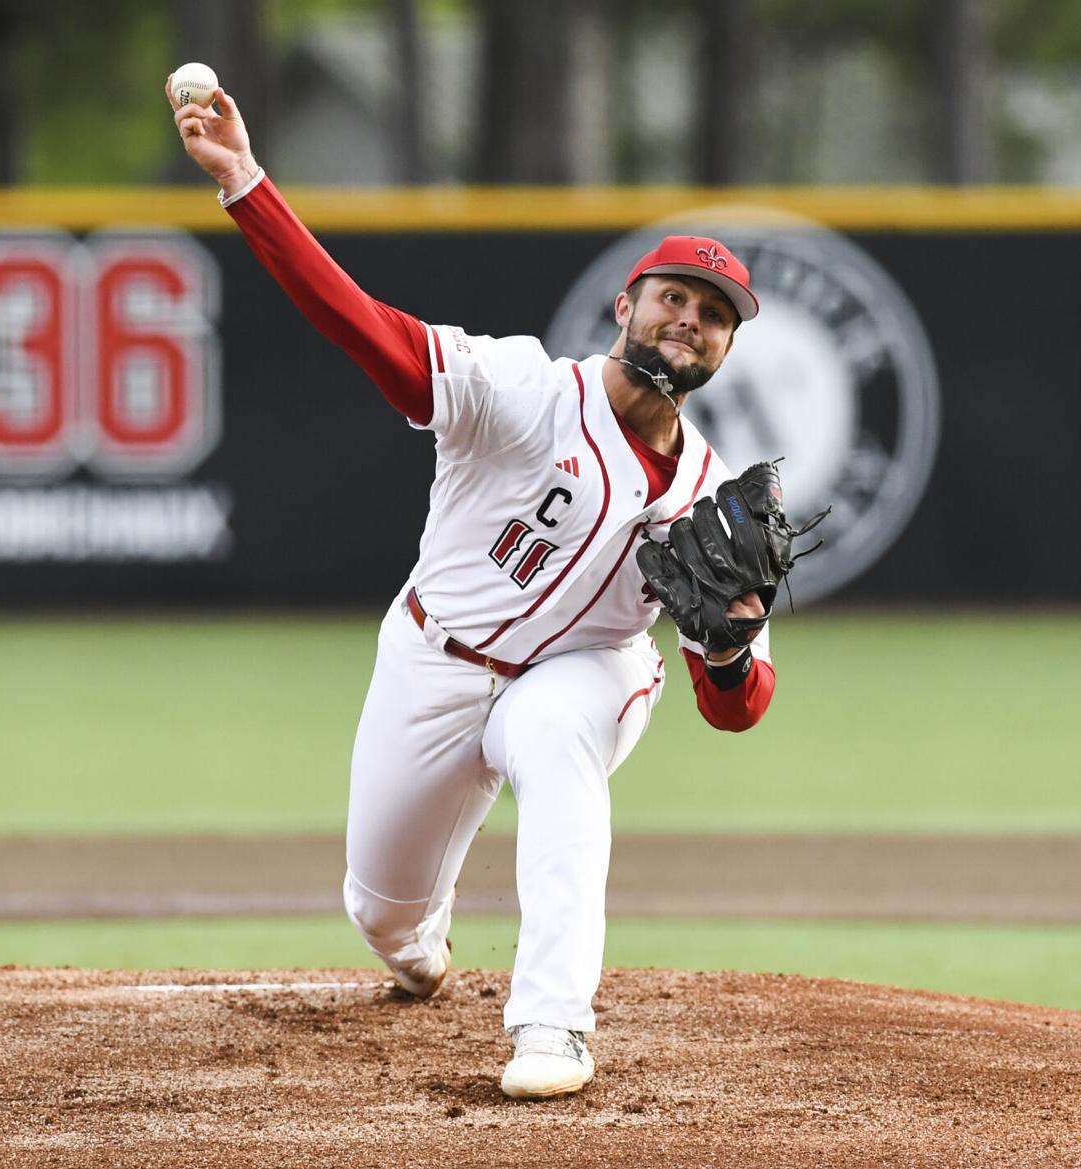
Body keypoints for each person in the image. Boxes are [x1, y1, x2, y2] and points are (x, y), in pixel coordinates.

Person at [168, 78, 774, 1100]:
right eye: (674, 295)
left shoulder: (715, 495)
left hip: (586, 673)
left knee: (554, 735)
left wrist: (725, 648)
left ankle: (554, 1023)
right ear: (625, 305)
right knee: (382, 913)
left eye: (715, 315)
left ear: (726, 348)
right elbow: (369, 332)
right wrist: (247, 185)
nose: (690, 319)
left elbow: (739, 706)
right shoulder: (528, 388)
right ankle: (421, 939)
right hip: (432, 659)